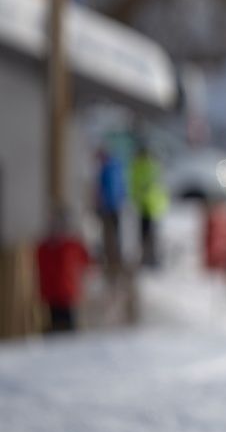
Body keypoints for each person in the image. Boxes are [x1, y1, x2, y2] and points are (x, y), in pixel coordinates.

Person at [35, 208, 91, 334]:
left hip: (67, 293)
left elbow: (87, 262)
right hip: (52, 293)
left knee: (68, 326)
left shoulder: (71, 245)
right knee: (55, 324)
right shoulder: (45, 248)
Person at [128, 143, 169, 269]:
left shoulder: (143, 167)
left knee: (148, 234)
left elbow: (143, 186)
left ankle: (150, 258)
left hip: (150, 205)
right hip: (149, 205)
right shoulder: (152, 165)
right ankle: (150, 258)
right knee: (148, 234)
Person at [93, 147, 128, 278]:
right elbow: (122, 187)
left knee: (109, 234)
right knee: (115, 233)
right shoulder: (118, 167)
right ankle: (115, 258)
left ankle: (111, 258)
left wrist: (100, 204)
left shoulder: (106, 169)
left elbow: (102, 190)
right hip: (116, 206)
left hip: (108, 207)